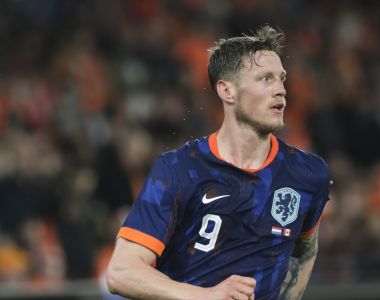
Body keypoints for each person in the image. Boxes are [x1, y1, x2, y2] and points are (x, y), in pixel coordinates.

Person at [106, 25, 330, 300]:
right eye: (265, 78)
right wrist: (206, 296)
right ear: (227, 91)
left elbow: (304, 252)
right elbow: (121, 272)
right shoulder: (179, 170)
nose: (281, 90)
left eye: (282, 79)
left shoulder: (308, 174)